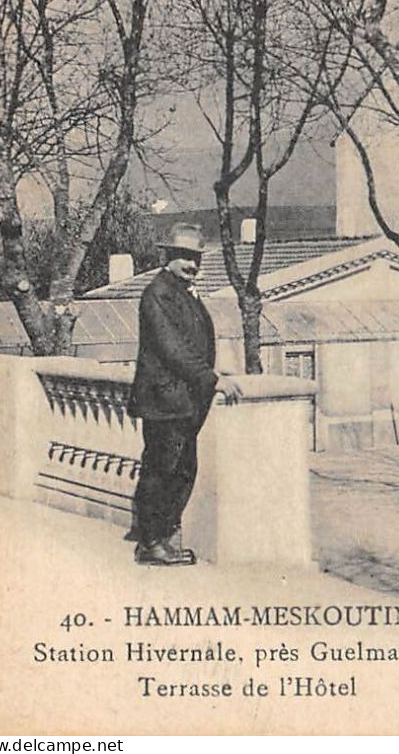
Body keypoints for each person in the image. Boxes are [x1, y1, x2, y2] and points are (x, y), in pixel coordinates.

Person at [126, 222, 242, 565]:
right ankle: (150, 543)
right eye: (185, 257)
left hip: (182, 401)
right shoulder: (158, 293)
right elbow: (172, 348)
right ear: (170, 257)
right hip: (165, 400)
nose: (192, 265)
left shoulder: (180, 291)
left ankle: (162, 537)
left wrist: (206, 378)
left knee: (181, 470)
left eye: (196, 258)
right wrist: (210, 378)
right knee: (161, 470)